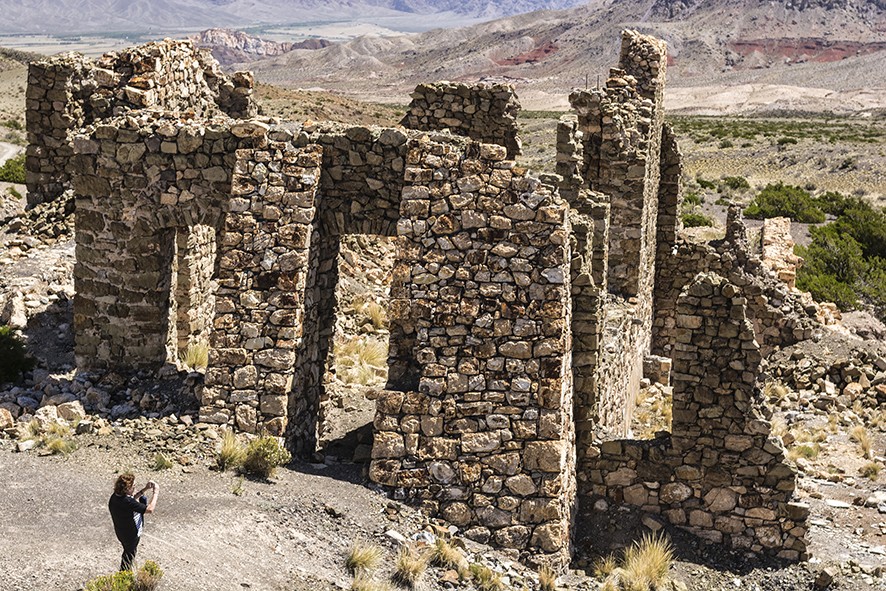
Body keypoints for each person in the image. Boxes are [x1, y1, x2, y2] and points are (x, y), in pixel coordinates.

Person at [108, 473, 159, 571]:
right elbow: (150, 509)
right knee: (129, 556)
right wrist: (156, 492)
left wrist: (145, 489)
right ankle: (124, 577)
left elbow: (131, 499)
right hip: (131, 535)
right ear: (127, 489)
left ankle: (125, 574)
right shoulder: (127, 501)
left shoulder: (115, 497)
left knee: (127, 552)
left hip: (121, 532)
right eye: (133, 486)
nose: (135, 488)